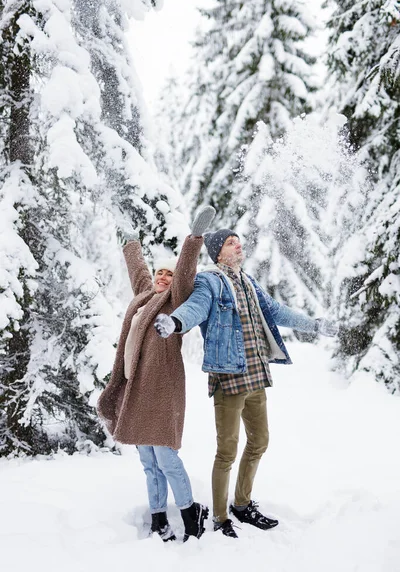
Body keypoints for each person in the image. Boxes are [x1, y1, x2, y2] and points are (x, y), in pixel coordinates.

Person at [154, 228, 338, 539]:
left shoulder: (249, 283)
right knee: (226, 452)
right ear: (217, 253)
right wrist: (175, 322)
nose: (238, 245)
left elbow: (277, 311)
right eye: (230, 242)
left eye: (238, 241)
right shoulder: (209, 280)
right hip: (229, 378)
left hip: (256, 375)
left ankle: (241, 503)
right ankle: (220, 517)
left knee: (259, 442)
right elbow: (196, 307)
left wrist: (315, 325)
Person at [97, 206, 215, 543]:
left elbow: (184, 274)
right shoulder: (144, 297)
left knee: (166, 458)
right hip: (137, 390)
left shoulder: (174, 301)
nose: (162, 278)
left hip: (163, 389)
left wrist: (193, 239)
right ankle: (158, 517)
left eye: (168, 274)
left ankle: (192, 515)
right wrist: (129, 239)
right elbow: (137, 269)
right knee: (148, 461)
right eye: (159, 274)